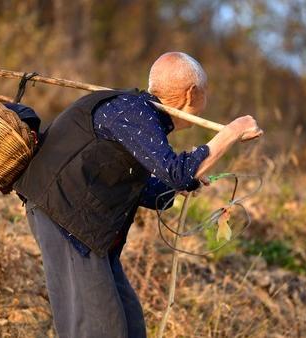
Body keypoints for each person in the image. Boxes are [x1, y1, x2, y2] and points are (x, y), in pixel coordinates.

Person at [13, 52, 261, 338]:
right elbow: (177, 171)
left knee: (130, 326)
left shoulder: (140, 118)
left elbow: (155, 192)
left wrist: (187, 178)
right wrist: (232, 132)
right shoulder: (133, 110)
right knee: (100, 330)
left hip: (84, 227)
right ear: (192, 94)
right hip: (65, 218)